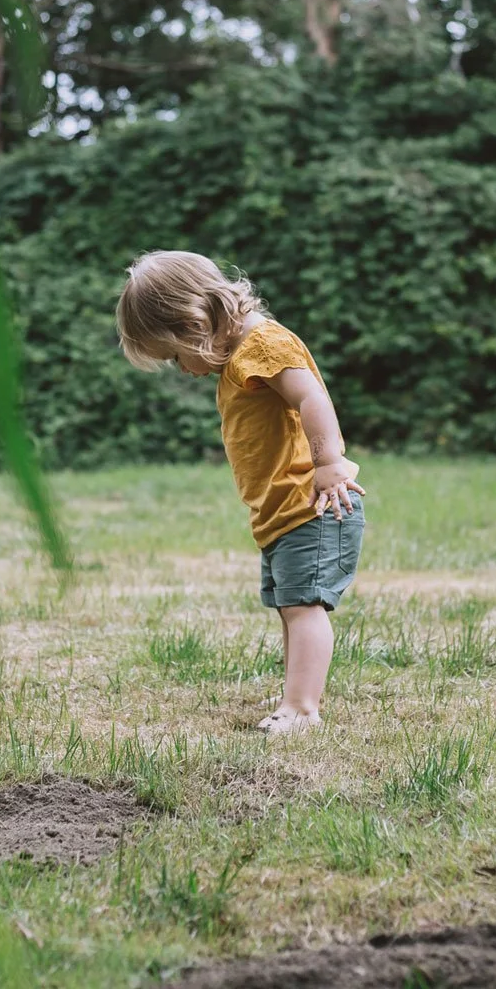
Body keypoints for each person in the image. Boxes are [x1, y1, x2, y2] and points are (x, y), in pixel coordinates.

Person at [116, 250, 366, 736]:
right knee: (290, 606)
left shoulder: (263, 346)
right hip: (280, 512)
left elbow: (311, 395)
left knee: (303, 607)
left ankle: (303, 709)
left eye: (175, 356)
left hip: (311, 506)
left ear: (194, 324)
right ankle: (295, 697)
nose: (185, 371)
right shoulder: (240, 357)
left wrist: (329, 464)